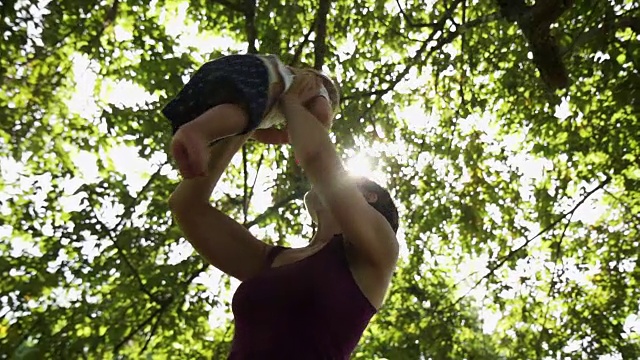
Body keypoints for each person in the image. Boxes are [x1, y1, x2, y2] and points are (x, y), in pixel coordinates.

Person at [167, 69, 399, 359]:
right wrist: (253, 115)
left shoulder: (378, 252)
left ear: (368, 197)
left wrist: (289, 97)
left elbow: (316, 156)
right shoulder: (270, 260)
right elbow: (188, 208)